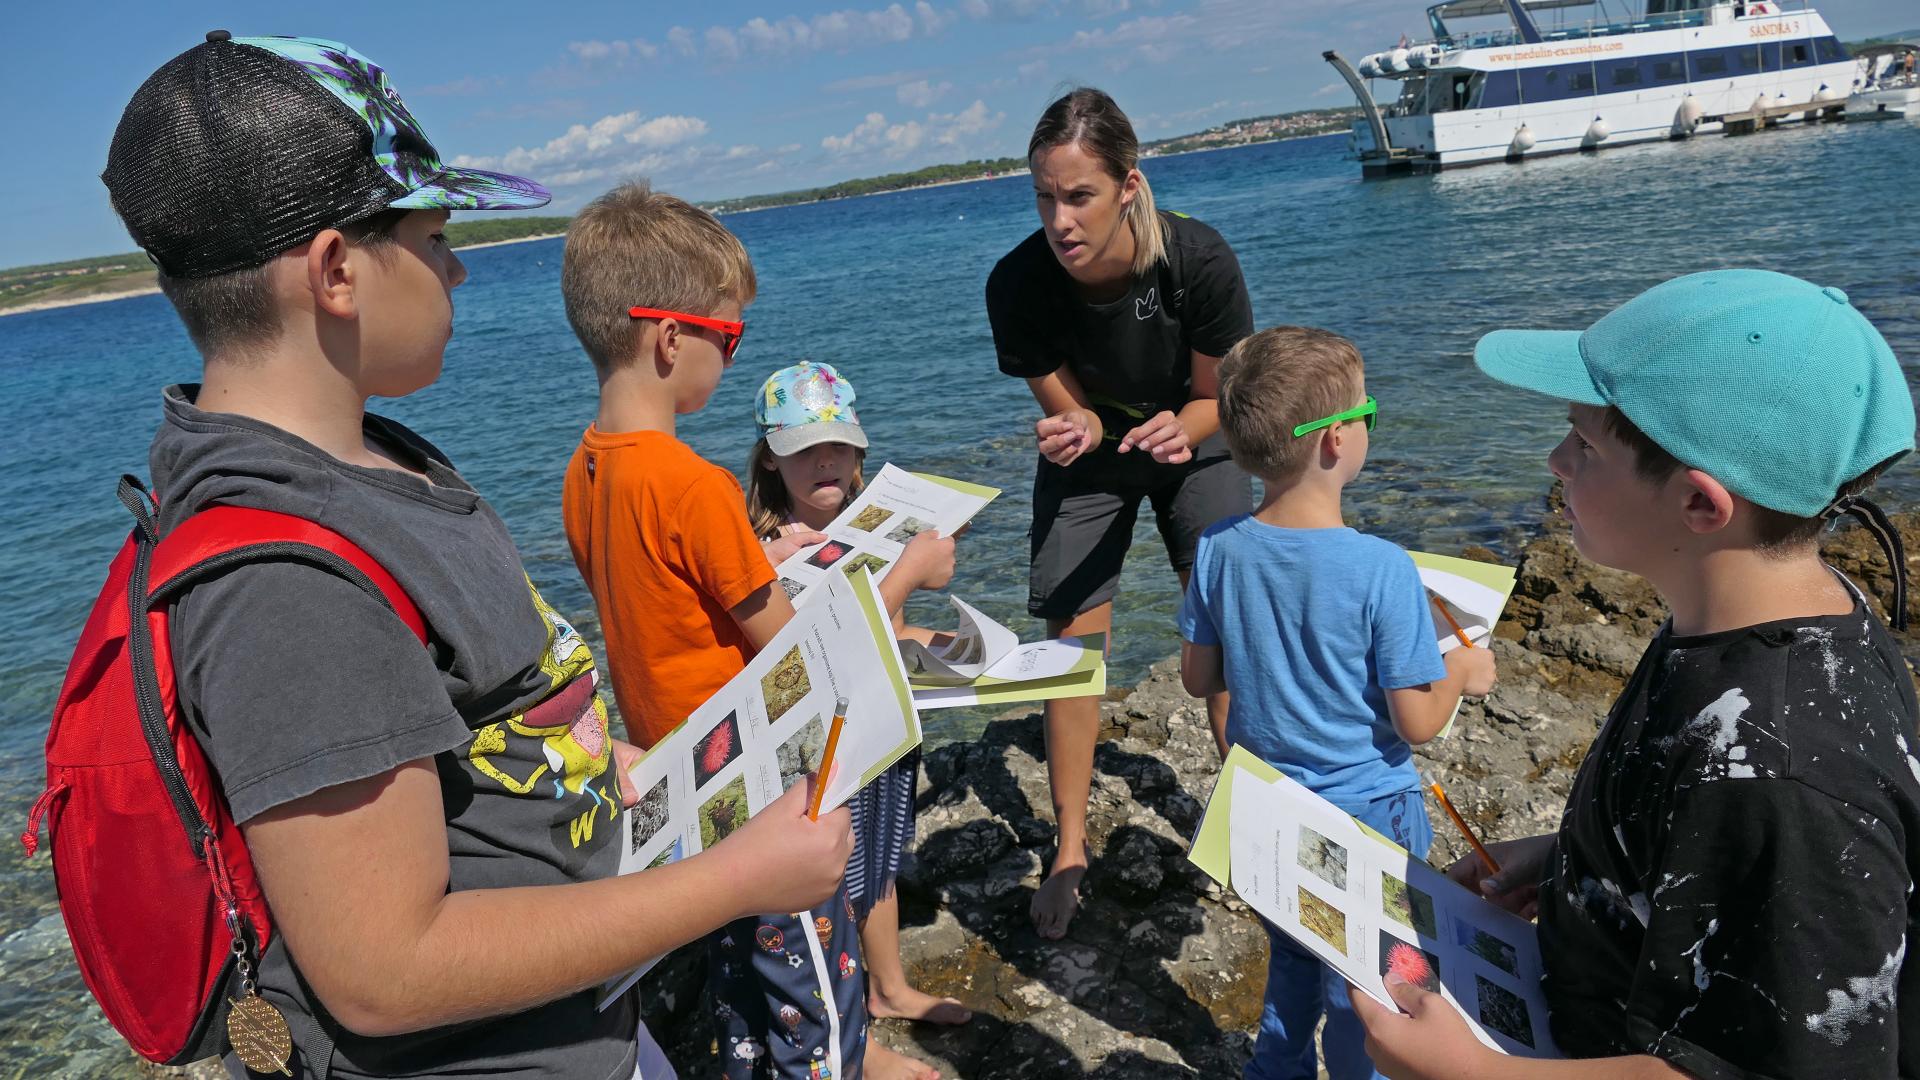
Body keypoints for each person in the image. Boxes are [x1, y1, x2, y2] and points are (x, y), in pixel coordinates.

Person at [107, 32, 852, 1080]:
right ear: (335, 271)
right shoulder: (286, 583)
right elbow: (385, 969)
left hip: (570, 1021)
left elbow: (472, 735)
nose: (456, 267)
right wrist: (737, 879)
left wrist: (592, 765)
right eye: (435, 235)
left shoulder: (375, 464)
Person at [1351, 269, 1920, 1080]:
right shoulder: (1731, 618)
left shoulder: (1785, 772)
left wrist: (1474, 1073)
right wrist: (1580, 864)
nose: (1554, 461)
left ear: (1699, 505)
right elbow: (1713, 853)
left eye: (1585, 446)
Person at [559, 183, 954, 1080]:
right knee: (817, 1003)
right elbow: (796, 652)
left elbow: (667, 611)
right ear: (669, 338)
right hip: (765, 786)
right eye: (727, 339)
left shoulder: (585, 471)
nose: (730, 360)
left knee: (743, 993)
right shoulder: (694, 486)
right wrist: (902, 576)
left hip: (683, 780)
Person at [1179, 327, 1497, 1080]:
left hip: (1267, 809)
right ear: (1333, 442)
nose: (1365, 427)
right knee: (1379, 992)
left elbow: (1199, 679)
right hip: (1368, 817)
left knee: (1293, 968)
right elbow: (1417, 723)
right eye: (1366, 414)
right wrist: (1464, 672)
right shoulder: (1383, 568)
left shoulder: (1218, 548)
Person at [985, 87, 1256, 939]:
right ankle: (1070, 847)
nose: (1059, 219)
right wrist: (1084, 426)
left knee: (1223, 626)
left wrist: (1186, 426)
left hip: (1194, 434)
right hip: (1092, 458)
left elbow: (1222, 398)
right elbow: (1068, 408)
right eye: (1043, 195)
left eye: (1079, 196)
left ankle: (1256, 821)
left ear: (1128, 186)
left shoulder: (1198, 260)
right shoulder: (1018, 283)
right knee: (1073, 649)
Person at [745, 361, 976, 1031]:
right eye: (804, 451)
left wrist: (972, 652)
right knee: (832, 878)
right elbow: (818, 645)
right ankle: (843, 1018)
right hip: (821, 746)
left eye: (840, 446)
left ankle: (890, 987)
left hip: (881, 729)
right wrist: (909, 572)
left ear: (860, 452)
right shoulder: (763, 550)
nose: (825, 461)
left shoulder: (874, 523)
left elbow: (893, 630)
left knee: (880, 860)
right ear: (769, 460)